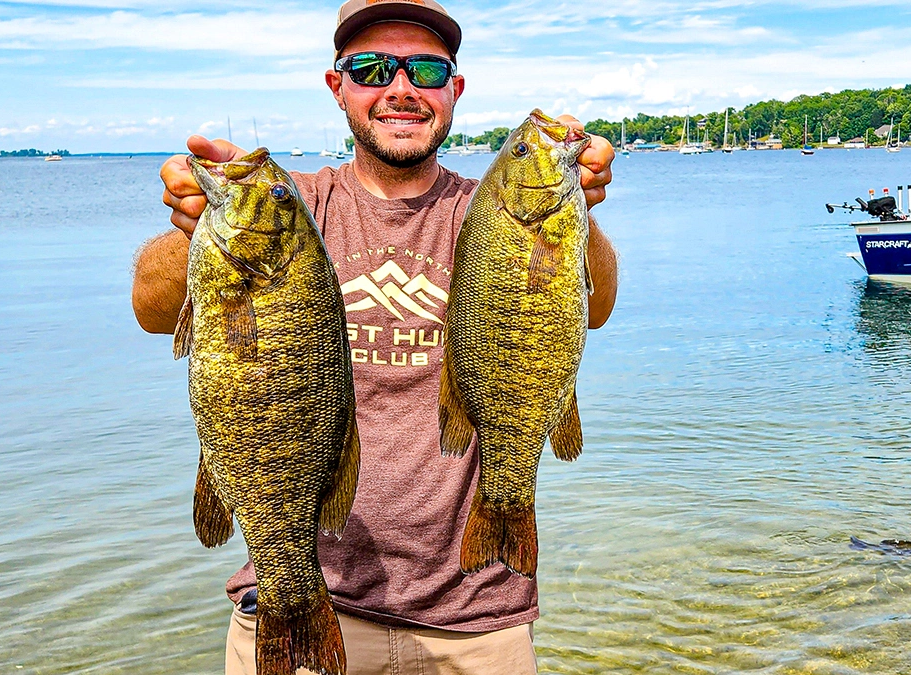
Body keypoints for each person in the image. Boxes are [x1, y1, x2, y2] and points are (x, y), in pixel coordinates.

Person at [132, 0, 618, 672]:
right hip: (301, 600)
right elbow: (154, 310)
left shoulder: (489, 212)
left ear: (454, 90)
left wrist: (577, 206)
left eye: (425, 70)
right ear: (338, 87)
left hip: (478, 622)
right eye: (371, 68)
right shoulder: (297, 208)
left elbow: (593, 308)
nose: (400, 89)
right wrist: (193, 230)